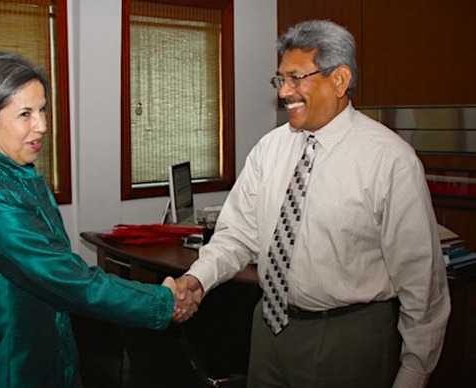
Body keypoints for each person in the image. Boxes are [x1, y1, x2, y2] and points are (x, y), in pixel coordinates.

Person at [176, 20, 450, 388]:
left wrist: (415, 371)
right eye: (279, 80)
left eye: (295, 78)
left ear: (339, 80)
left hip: (346, 340)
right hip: (269, 331)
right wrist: (198, 279)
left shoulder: (390, 161)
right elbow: (236, 236)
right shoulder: (270, 149)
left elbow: (422, 280)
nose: (284, 92)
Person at [0, 51, 196, 388]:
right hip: (9, 366)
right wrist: (162, 301)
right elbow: (69, 280)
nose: (42, 126)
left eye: (43, 109)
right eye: (25, 114)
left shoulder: (9, 177)